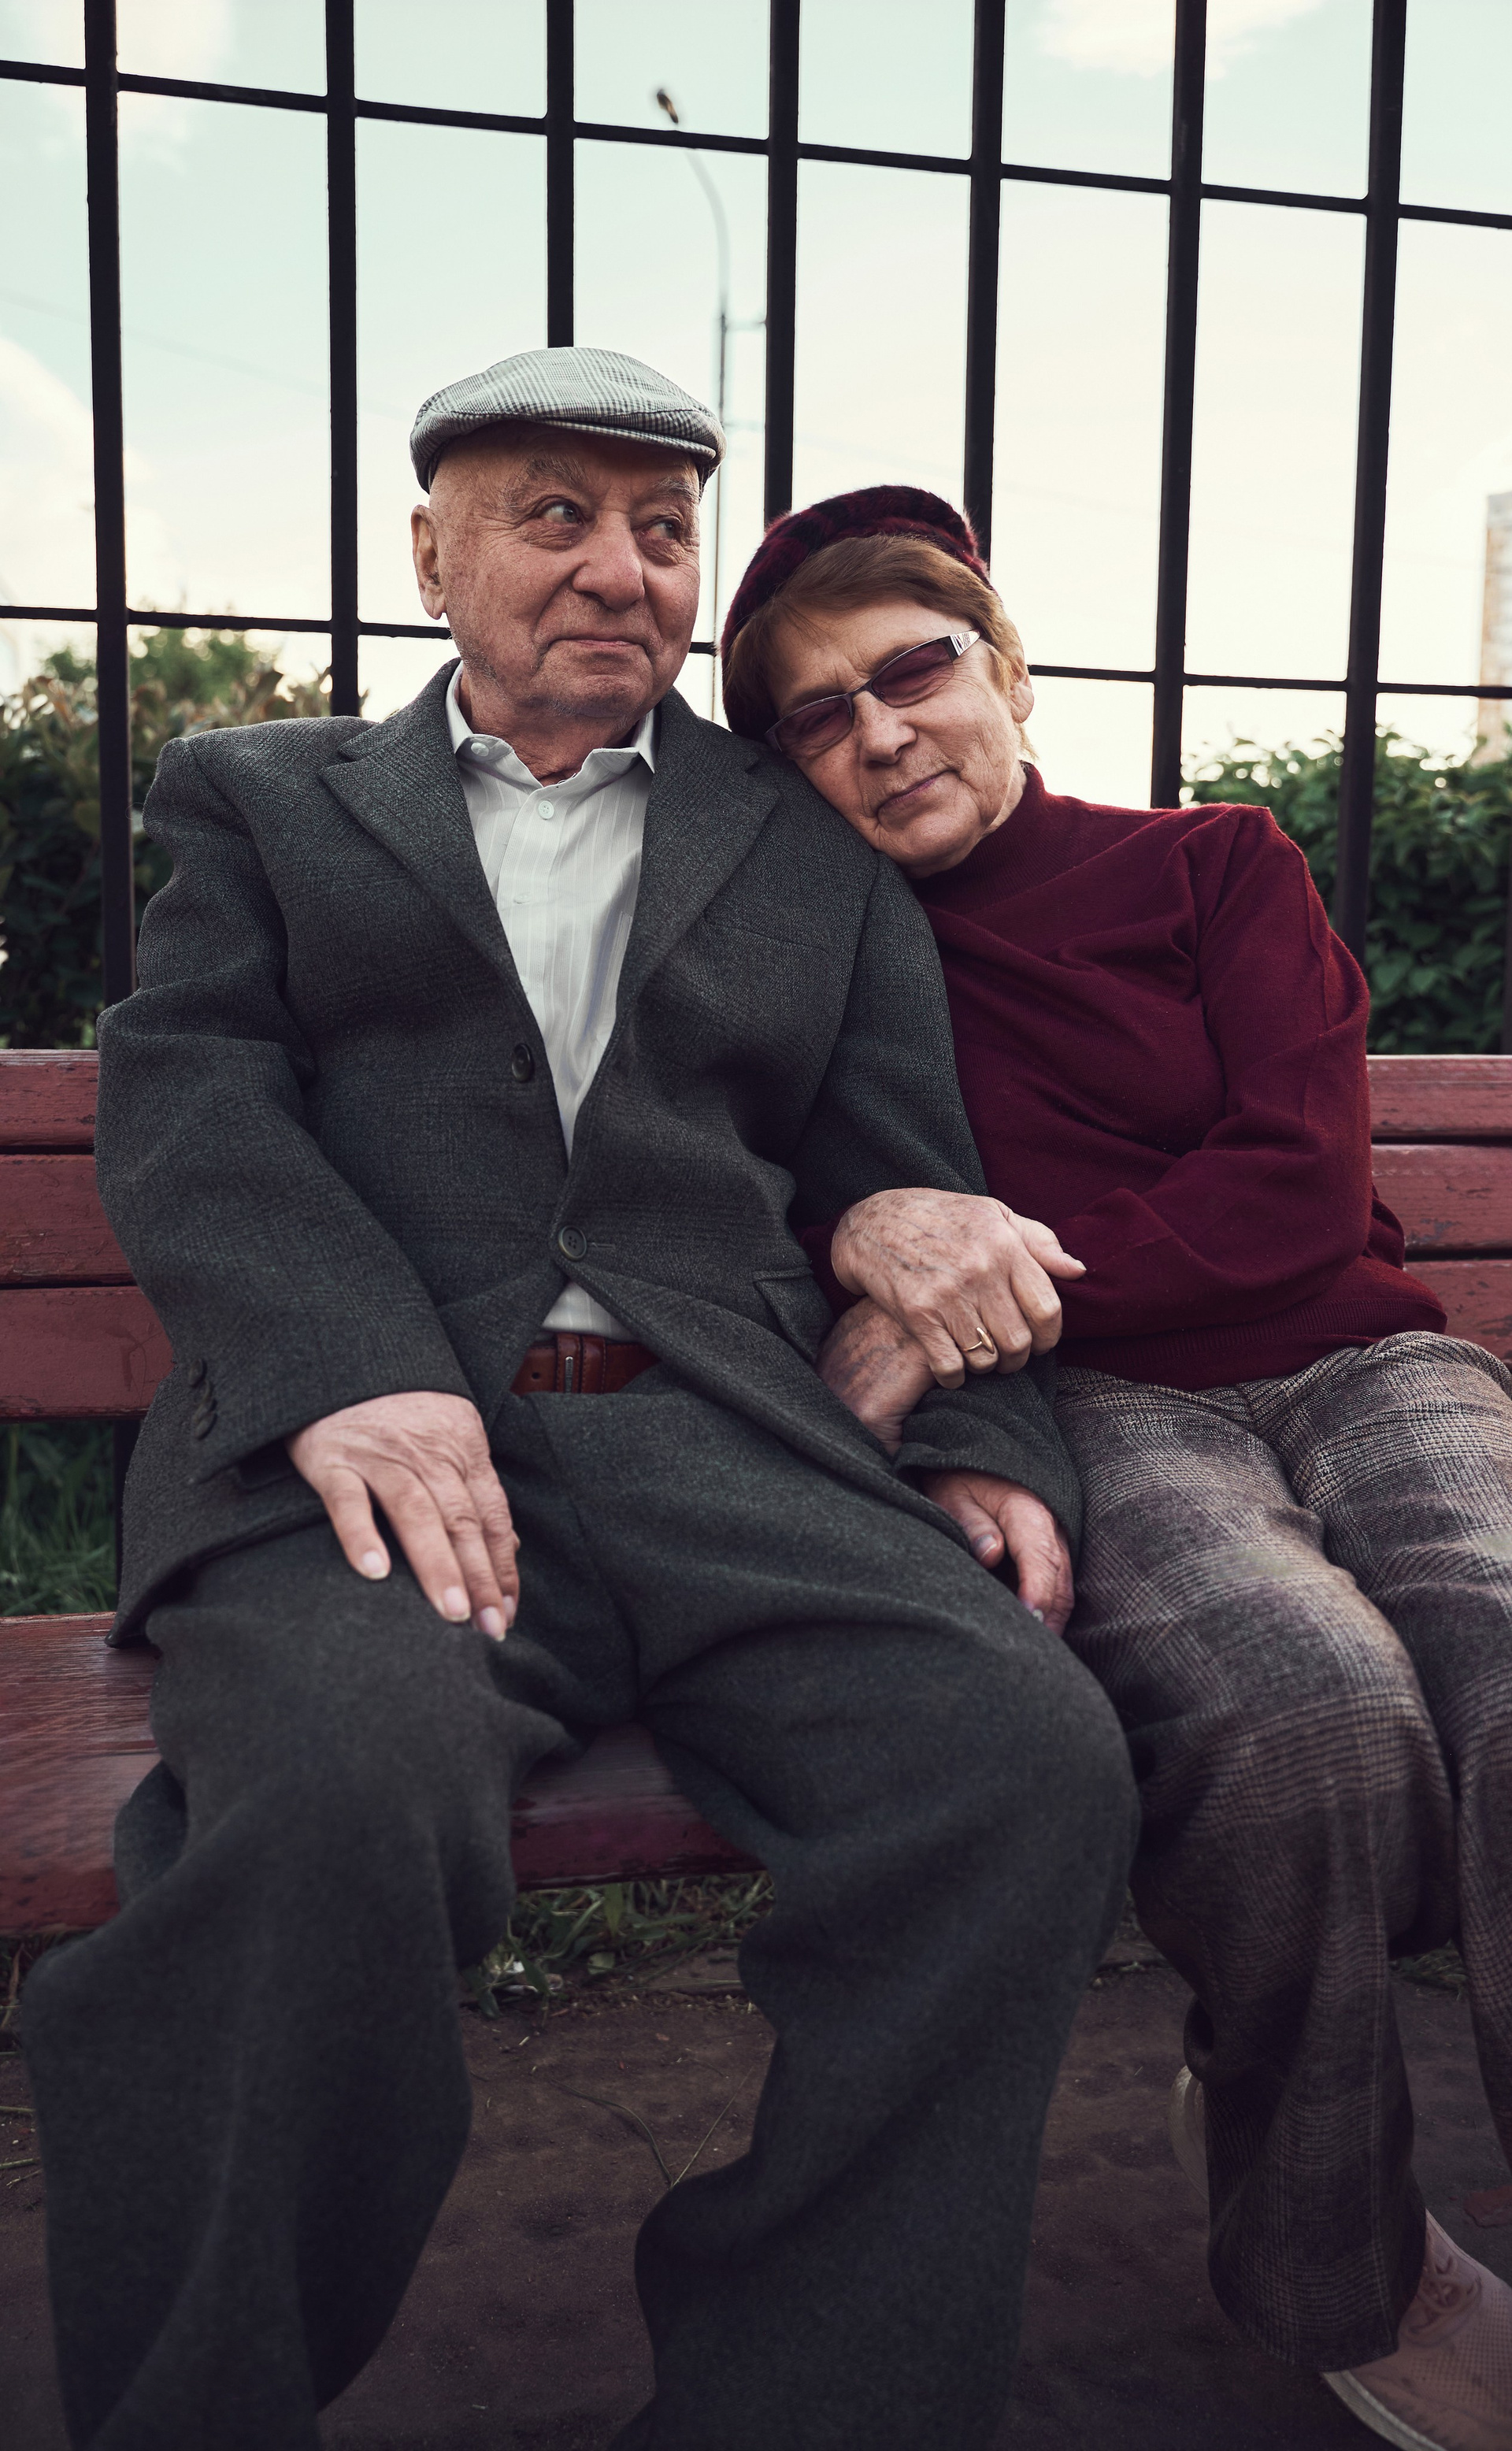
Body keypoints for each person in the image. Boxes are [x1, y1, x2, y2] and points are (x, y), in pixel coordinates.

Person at [21, 362, 1136, 2451]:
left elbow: (915, 1176)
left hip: (729, 1445)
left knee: (1020, 1760)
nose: (621, 570)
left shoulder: (803, 839)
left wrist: (985, 1446)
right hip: (377, 1458)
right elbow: (195, 1099)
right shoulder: (261, 797)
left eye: (662, 528)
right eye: (555, 516)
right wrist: (350, 1364)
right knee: (332, 1793)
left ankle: (802, 2405)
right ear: (430, 554)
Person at [720, 484, 1512, 2451]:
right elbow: (757, 1203)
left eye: (913, 670)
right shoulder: (816, 964)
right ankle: (1341, 2256)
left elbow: (1296, 1180)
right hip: (1103, 1412)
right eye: (816, 715)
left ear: (1006, 670)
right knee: (1305, 1705)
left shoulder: (1215, 864)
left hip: (1360, 1357)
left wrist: (990, 1299)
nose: (881, 730)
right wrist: (879, 1253)